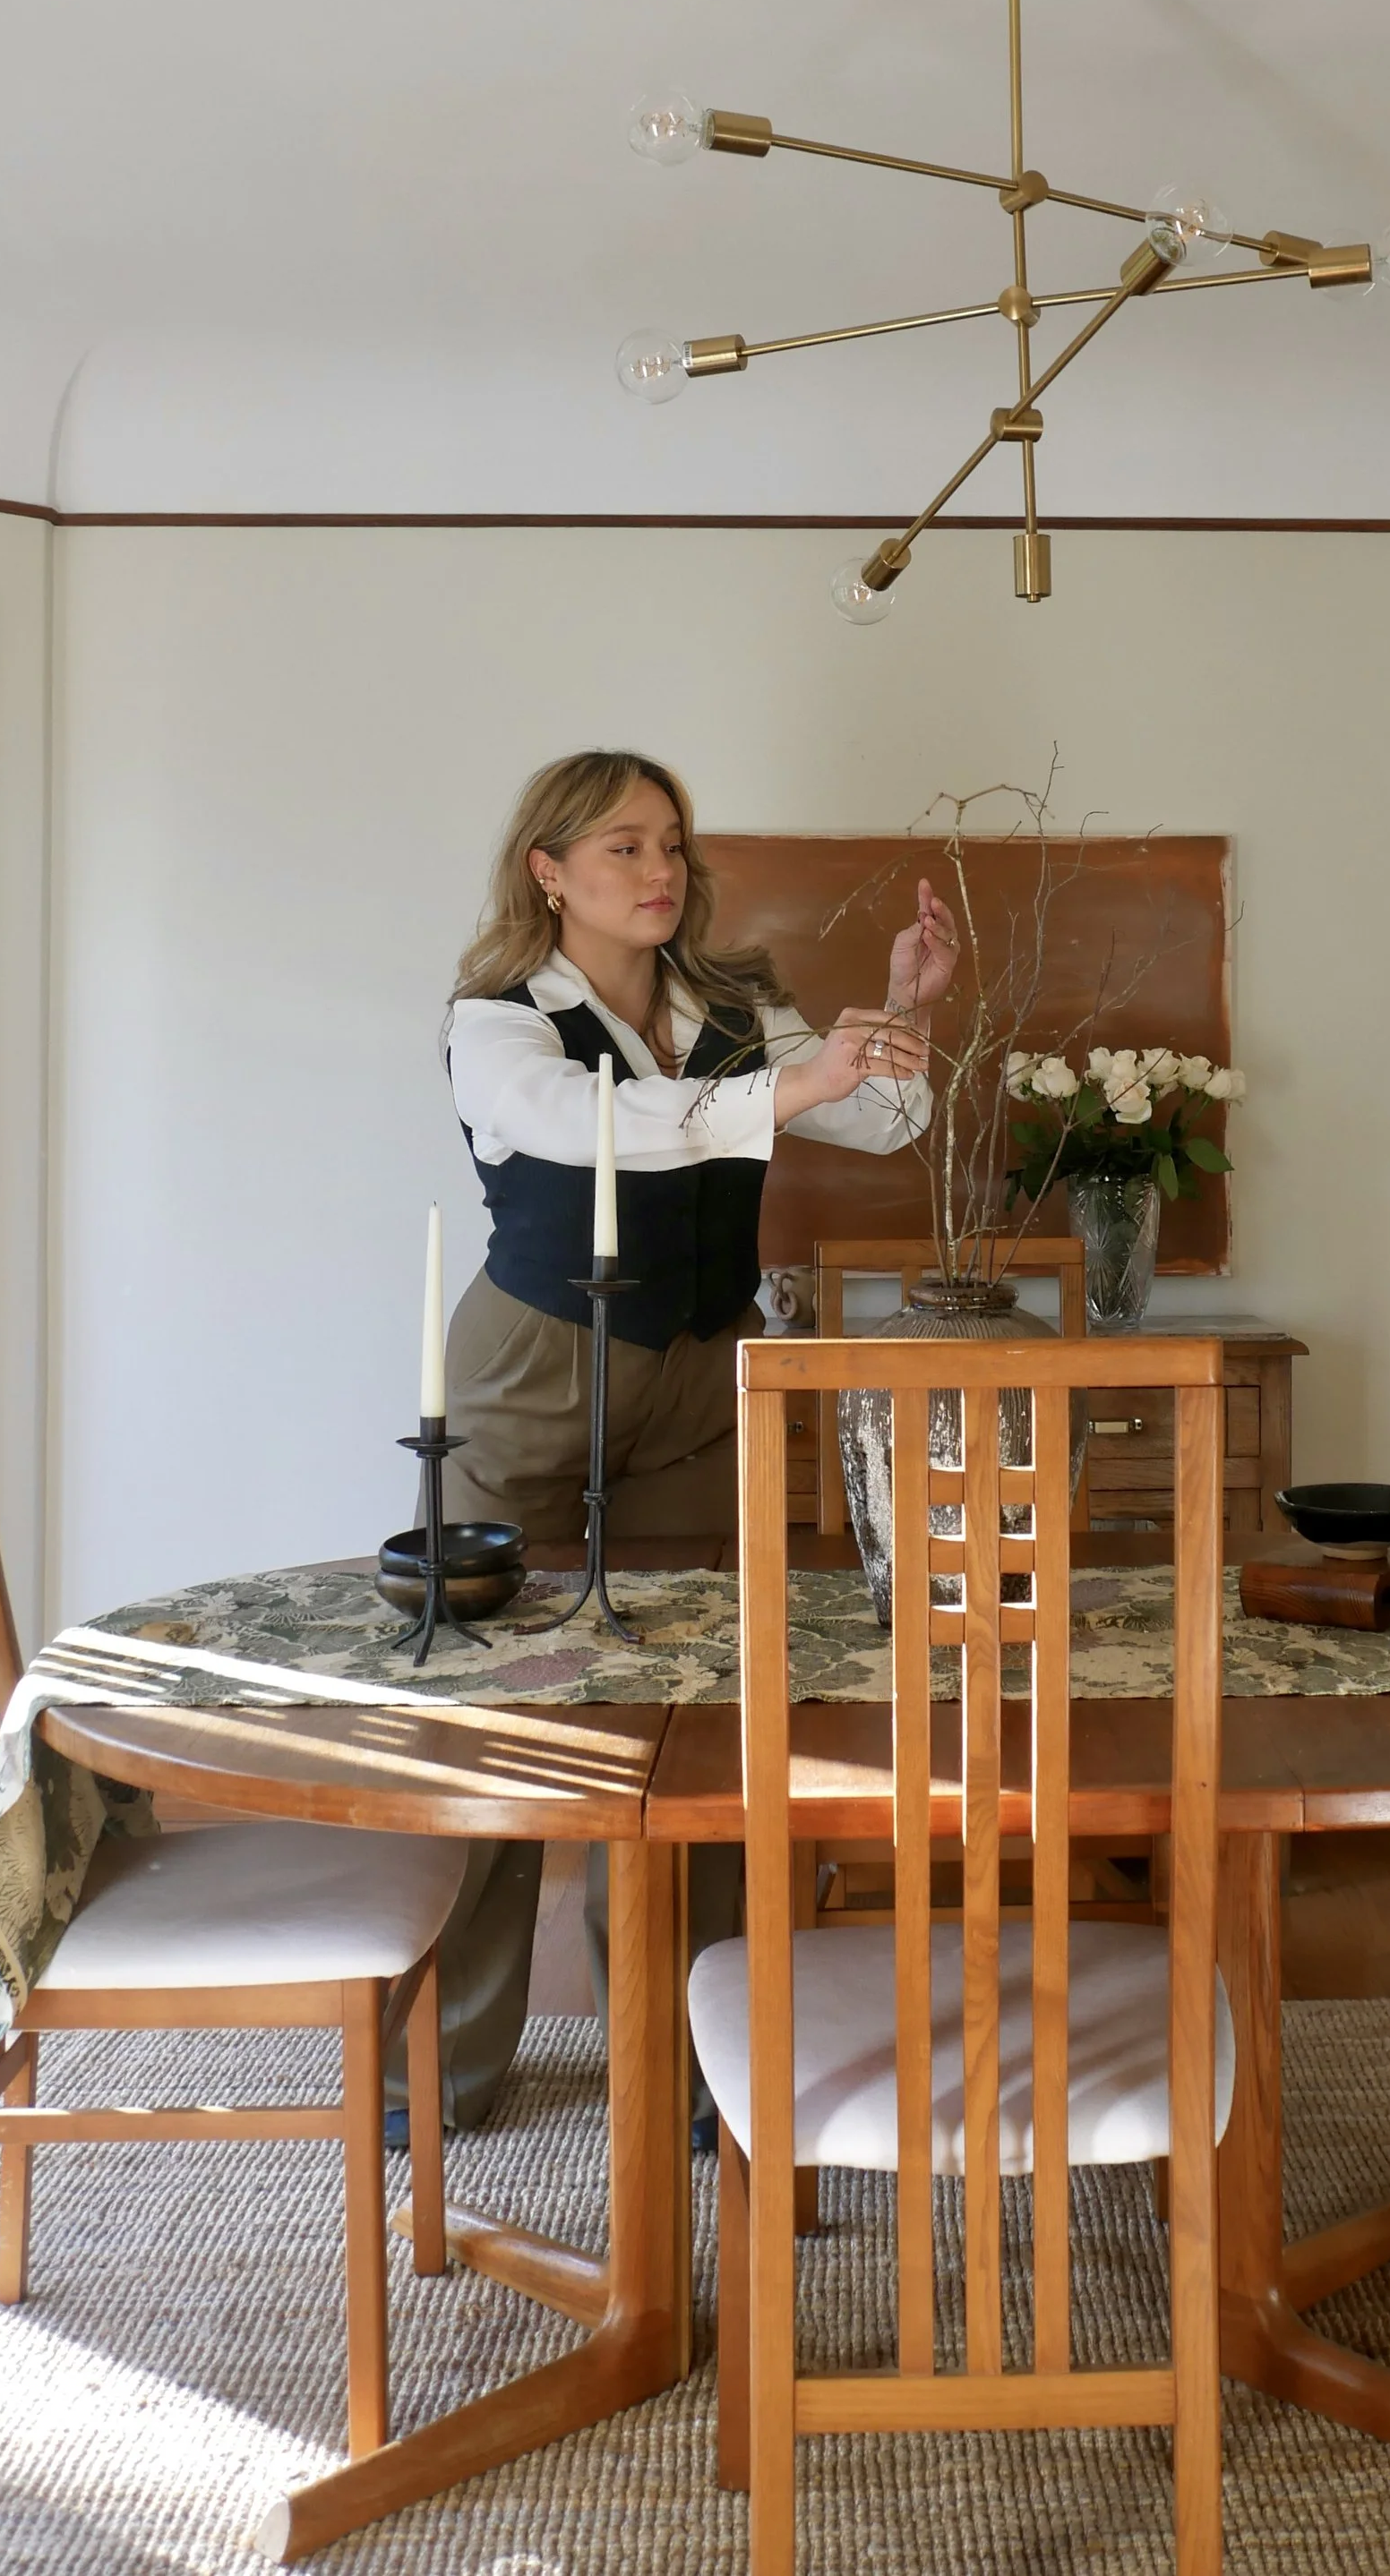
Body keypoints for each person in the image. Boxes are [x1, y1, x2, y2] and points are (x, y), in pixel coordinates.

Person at [389, 748, 955, 2130]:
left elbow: (881, 1121)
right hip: (533, 1363)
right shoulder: (498, 1018)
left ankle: (708, 2061)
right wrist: (799, 1084)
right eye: (626, 847)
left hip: (709, 1366)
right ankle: (451, 2070)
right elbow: (593, 1125)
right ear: (550, 870)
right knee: (497, 1694)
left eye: (673, 847)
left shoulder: (735, 1003)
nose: (661, 873)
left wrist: (903, 1018)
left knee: (703, 1699)